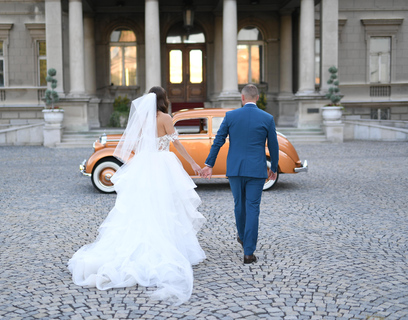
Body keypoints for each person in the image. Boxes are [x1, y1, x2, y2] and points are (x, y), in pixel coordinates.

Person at [68, 86, 206, 305]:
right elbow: (176, 143)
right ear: (163, 100)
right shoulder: (165, 118)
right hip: (162, 164)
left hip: (144, 164)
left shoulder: (143, 119)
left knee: (142, 206)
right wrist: (193, 163)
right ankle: (168, 246)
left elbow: (139, 144)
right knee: (166, 207)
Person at [200, 84, 279, 265]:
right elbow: (274, 146)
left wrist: (209, 164)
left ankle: (243, 237)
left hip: (235, 169)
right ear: (257, 98)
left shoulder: (231, 116)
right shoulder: (267, 118)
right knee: (253, 208)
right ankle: (248, 252)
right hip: (257, 170)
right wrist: (273, 168)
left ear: (242, 98)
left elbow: (218, 140)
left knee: (239, 205)